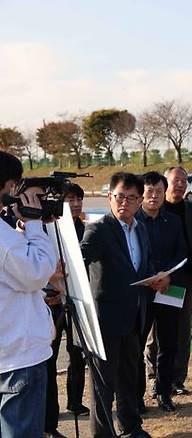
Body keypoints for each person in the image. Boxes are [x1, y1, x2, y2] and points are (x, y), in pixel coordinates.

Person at [81, 172, 169, 438]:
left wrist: (157, 277)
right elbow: (79, 259)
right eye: (120, 197)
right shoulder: (99, 229)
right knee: (103, 384)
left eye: (132, 198)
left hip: (134, 316)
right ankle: (102, 434)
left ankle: (131, 427)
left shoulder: (140, 228)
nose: (125, 203)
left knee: (129, 378)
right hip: (104, 319)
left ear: (140, 200)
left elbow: (144, 265)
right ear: (110, 197)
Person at [0, 151, 57, 437]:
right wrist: (34, 224)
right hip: (17, 358)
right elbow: (37, 272)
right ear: (10, 187)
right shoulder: (2, 237)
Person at [146, 166, 192, 396]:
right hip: (154, 280)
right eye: (175, 180)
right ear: (165, 184)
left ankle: (177, 379)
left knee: (180, 333)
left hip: (181, 279)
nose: (179, 184)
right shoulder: (153, 210)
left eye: (184, 180)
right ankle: (154, 377)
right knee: (154, 335)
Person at [136, 172, 186, 412]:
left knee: (168, 343)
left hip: (170, 288)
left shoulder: (173, 221)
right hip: (142, 290)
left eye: (158, 191)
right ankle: (136, 396)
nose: (154, 196)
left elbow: (182, 253)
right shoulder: (133, 221)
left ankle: (164, 392)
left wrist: (168, 277)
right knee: (136, 344)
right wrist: (150, 278)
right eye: (149, 191)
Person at [44, 183, 89, 438]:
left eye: (78, 199)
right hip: (51, 303)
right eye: (69, 199)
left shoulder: (84, 228)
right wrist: (50, 288)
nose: (75, 204)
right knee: (49, 360)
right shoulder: (47, 228)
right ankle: (49, 420)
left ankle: (75, 401)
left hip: (77, 300)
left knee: (78, 354)